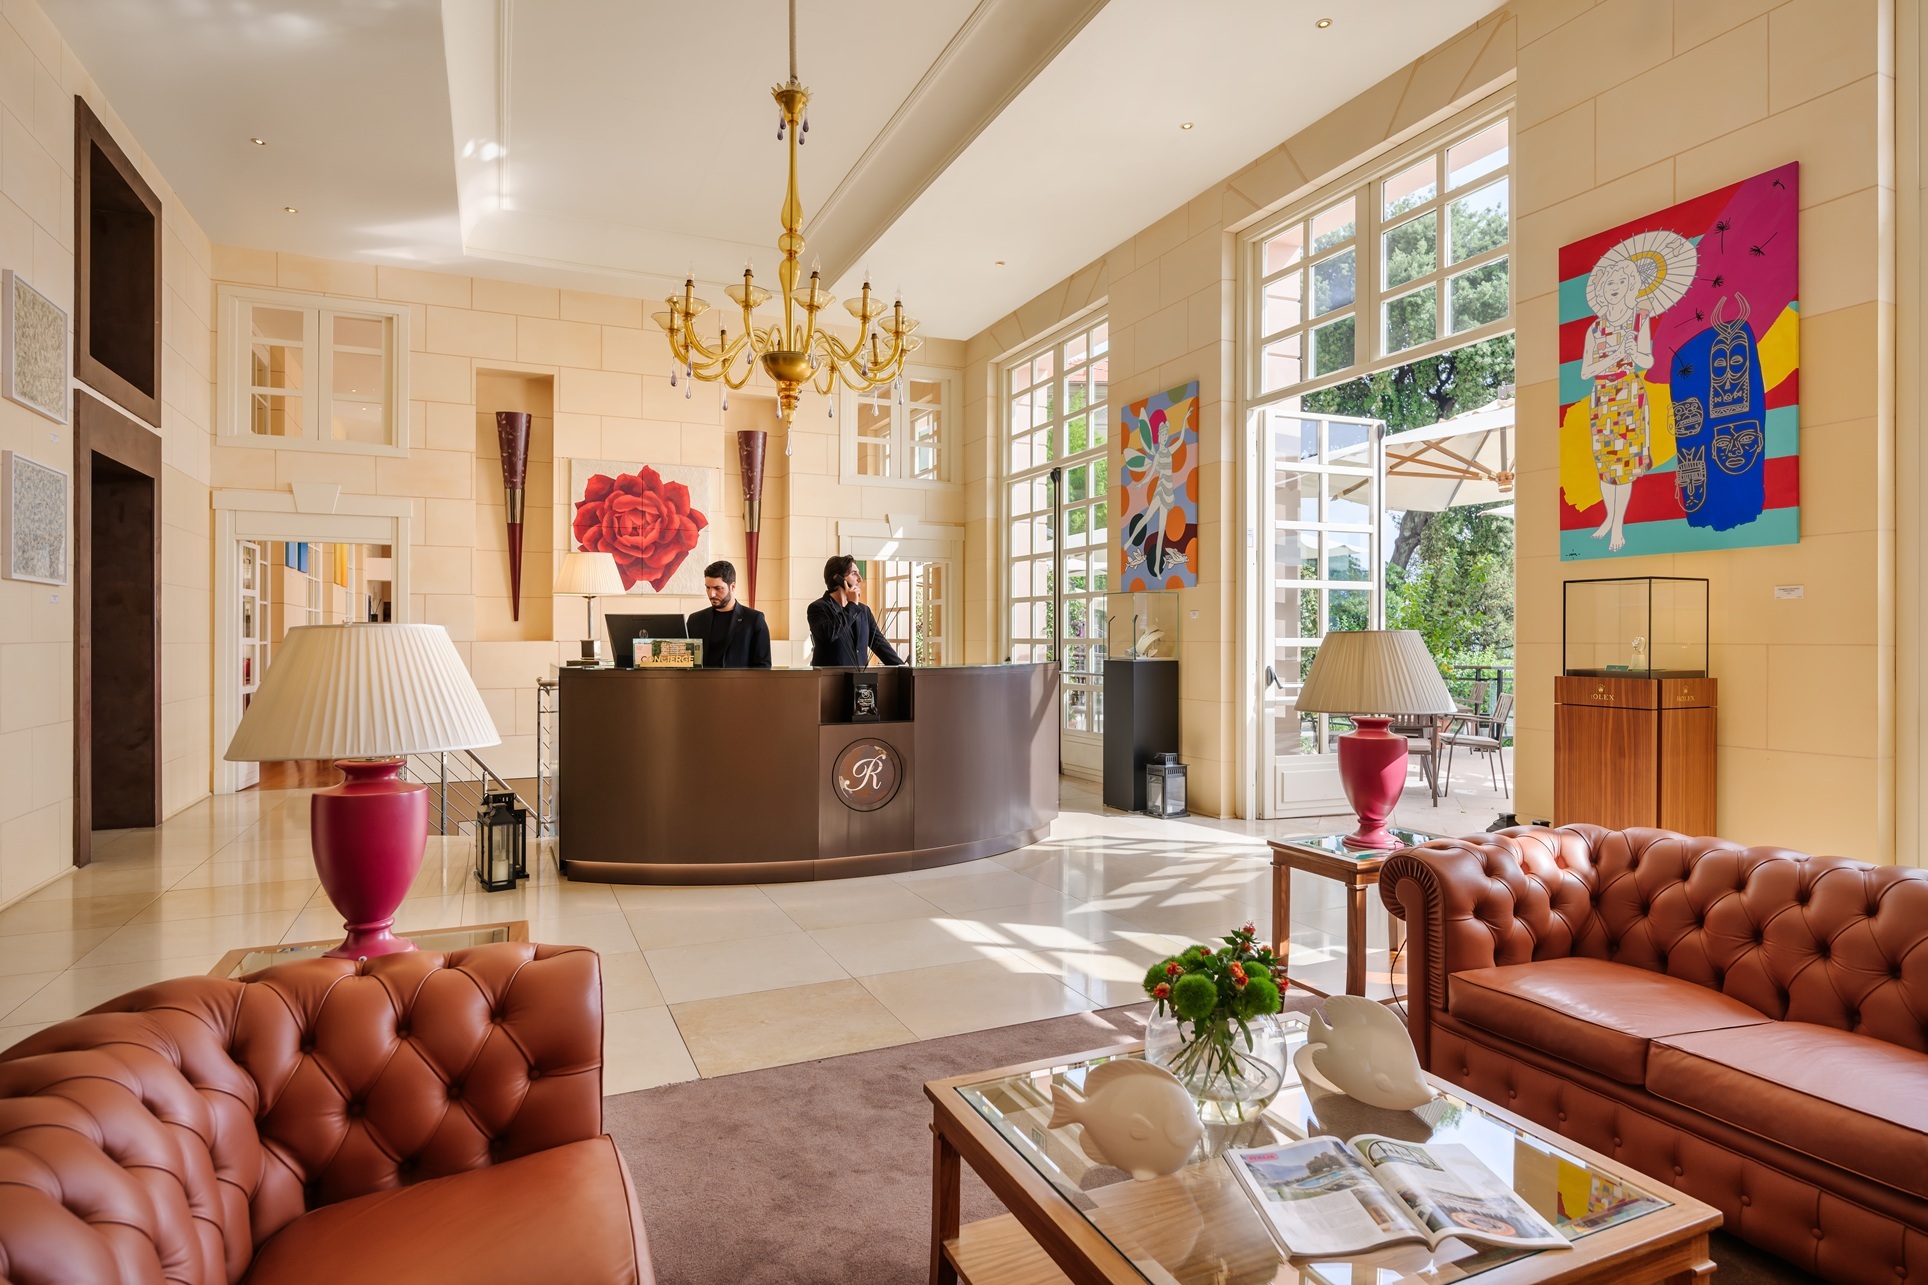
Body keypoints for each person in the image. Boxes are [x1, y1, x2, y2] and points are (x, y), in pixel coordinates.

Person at [1581, 254, 1655, 553]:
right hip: (1602, 397)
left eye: (1621, 281)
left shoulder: (1640, 319)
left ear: (1631, 286)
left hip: (1628, 391)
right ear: (1602, 290)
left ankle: (1618, 525)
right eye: (1610, 282)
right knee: (1605, 462)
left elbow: (1648, 359)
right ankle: (1609, 517)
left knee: (1624, 462)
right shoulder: (1595, 329)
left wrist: (1632, 352)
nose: (1615, 286)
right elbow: (1586, 371)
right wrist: (1613, 356)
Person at [807, 555, 903, 668]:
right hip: (830, 681)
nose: (860, 579)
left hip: (861, 681)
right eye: (853, 574)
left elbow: (880, 644)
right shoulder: (818, 608)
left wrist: (904, 669)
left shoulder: (863, 610)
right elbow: (830, 635)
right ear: (837, 578)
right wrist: (852, 605)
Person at [685, 560, 771, 668]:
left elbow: (763, 667)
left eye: (717, 588)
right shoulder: (695, 620)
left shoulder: (754, 620)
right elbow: (685, 661)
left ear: (732, 586)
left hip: (738, 684)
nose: (711, 594)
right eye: (708, 587)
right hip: (701, 684)